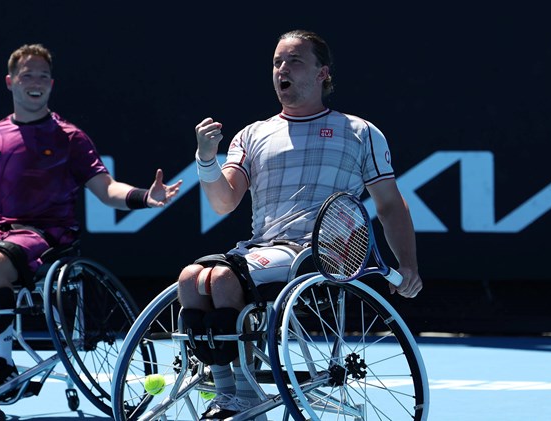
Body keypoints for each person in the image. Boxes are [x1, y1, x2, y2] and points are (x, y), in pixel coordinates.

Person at [0, 43, 182, 402]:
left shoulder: (70, 138)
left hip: (49, 237)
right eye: (27, 75)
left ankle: (2, 365)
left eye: (42, 76)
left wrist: (146, 197)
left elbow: (106, 189)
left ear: (51, 85)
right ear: (10, 82)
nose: (34, 82)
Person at [177, 29, 423, 420]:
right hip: (261, 251)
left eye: (294, 61)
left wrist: (406, 264)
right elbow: (224, 202)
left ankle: (243, 394)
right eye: (277, 62)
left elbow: (391, 205)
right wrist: (206, 160)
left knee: (222, 279)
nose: (282, 70)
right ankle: (228, 392)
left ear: (322, 73)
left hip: (321, 256)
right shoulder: (251, 135)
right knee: (190, 278)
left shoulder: (360, 132)